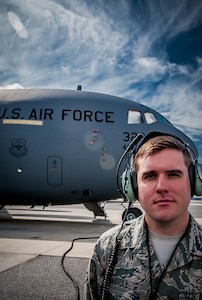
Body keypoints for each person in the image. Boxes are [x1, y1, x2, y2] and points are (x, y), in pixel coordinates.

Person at [84, 134, 202, 300]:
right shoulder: (107, 249)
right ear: (133, 186)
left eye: (174, 174)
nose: (162, 187)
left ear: (193, 181)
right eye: (150, 176)